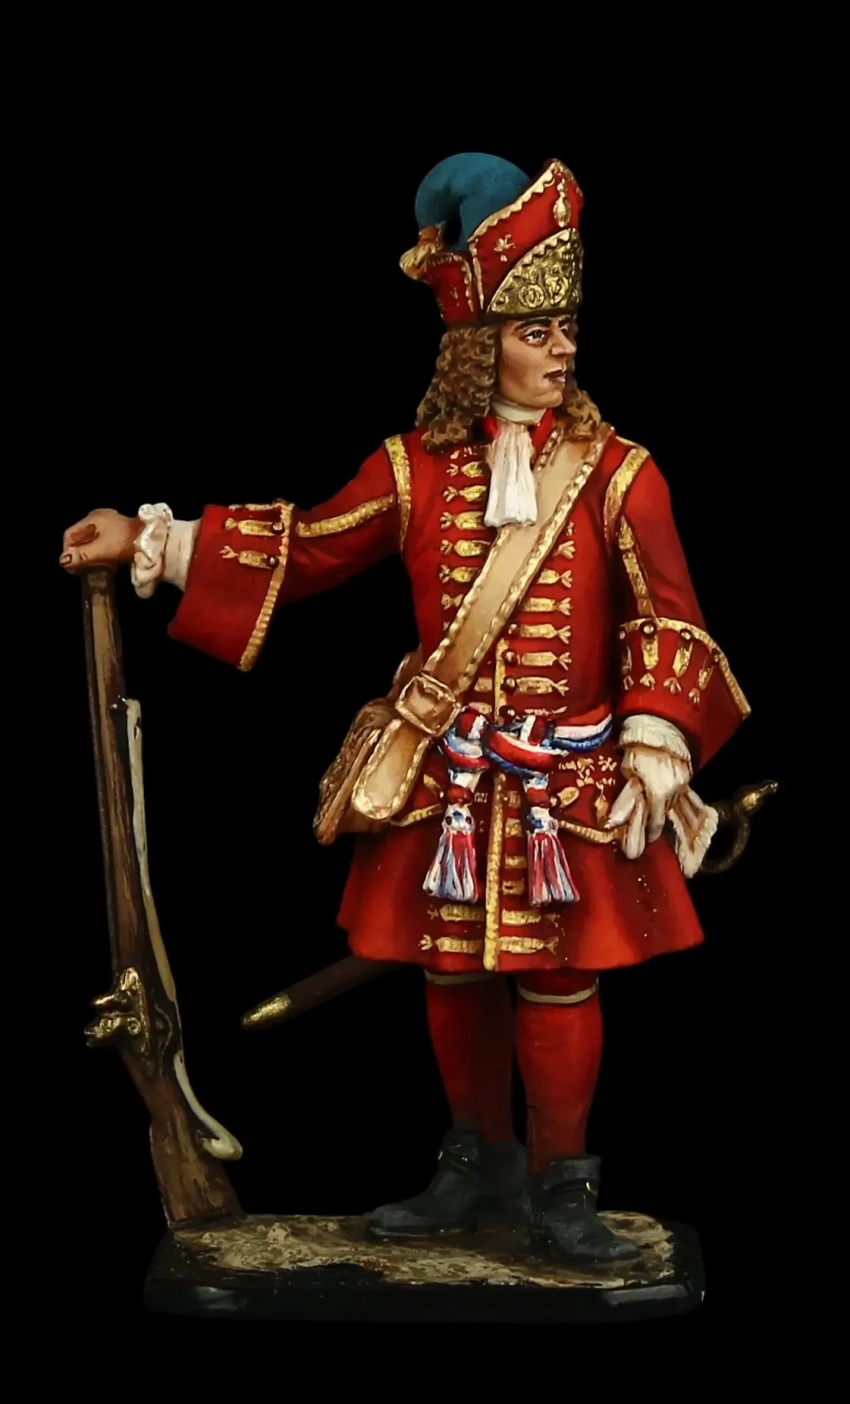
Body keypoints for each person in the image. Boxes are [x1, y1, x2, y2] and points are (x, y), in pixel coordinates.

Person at [60, 153, 750, 1265]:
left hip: (564, 785)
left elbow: (671, 615)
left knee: (557, 980)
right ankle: (478, 1162)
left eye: (567, 328)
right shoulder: (413, 469)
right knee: (450, 970)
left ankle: (564, 1184)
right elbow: (308, 547)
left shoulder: (624, 475)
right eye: (536, 332)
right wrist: (152, 538)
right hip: (450, 777)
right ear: (479, 344)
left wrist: (656, 732)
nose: (562, 350)